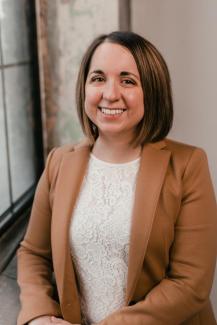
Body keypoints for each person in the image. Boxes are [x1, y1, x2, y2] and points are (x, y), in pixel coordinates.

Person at [17, 31, 217, 325]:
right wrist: (39, 316)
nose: (110, 94)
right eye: (98, 78)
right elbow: (33, 253)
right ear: (84, 87)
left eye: (127, 80)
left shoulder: (188, 164)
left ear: (152, 90)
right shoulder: (59, 161)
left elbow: (190, 283)